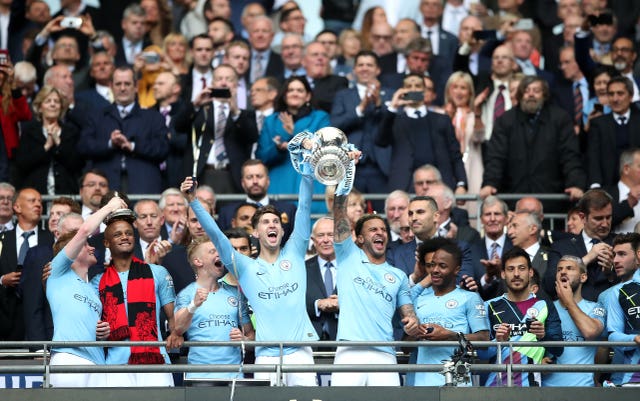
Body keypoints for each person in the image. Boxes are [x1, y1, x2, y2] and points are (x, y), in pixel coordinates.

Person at [181, 166, 319, 386]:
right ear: (255, 232)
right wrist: (194, 202)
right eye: (265, 222)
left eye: (276, 222)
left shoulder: (294, 253)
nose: (272, 225)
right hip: (265, 356)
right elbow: (217, 236)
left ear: (283, 231)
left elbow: (304, 208)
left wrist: (308, 174)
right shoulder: (244, 266)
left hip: (301, 352)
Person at [330, 176, 421, 386]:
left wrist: (412, 323)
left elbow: (408, 314)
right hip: (349, 351)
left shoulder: (398, 275)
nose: (380, 232)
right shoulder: (348, 256)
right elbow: (339, 214)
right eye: (373, 230)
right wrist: (345, 175)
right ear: (359, 239)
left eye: (383, 230)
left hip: (385, 353)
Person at [92, 202, 177, 387]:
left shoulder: (158, 272)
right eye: (117, 234)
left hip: (155, 360)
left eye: (129, 233)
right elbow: (90, 320)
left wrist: (176, 333)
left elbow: (173, 319)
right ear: (106, 243)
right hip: (116, 363)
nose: (124, 237)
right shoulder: (97, 282)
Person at [46, 196, 127, 387]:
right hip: (68, 357)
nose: (92, 247)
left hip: (97, 362)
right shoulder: (57, 272)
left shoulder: (93, 288)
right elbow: (84, 231)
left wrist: (103, 331)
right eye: (85, 245)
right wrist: (109, 207)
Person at [480, 75, 586, 209]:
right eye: (526, 90)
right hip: (514, 197)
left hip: (551, 198)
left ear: (545, 95)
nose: (531, 95)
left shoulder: (560, 119)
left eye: (536, 91)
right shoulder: (505, 120)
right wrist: (490, 183)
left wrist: (575, 183)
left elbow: (570, 155)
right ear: (520, 94)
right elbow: (496, 157)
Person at [77, 66, 169, 194]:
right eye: (118, 84)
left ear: (136, 86)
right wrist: (110, 143)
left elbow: (163, 149)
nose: (122, 88)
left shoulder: (154, 117)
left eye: (127, 84)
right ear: (111, 86)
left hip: (144, 186)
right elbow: (84, 146)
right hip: (106, 186)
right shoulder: (96, 116)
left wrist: (133, 146)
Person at [173, 237, 254, 380]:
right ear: (198, 261)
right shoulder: (187, 294)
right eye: (212, 251)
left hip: (234, 379)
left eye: (219, 251)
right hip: (200, 379)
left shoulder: (235, 294)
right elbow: (177, 329)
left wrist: (244, 340)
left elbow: (250, 336)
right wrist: (193, 305)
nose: (219, 254)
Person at [410, 240, 489, 386]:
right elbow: (405, 346)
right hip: (423, 384)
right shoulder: (419, 298)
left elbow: (484, 340)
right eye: (433, 264)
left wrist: (450, 335)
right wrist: (414, 332)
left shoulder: (470, 298)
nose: (435, 270)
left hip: (458, 383)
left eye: (442, 266)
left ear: (457, 270)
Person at [483, 247, 564, 387]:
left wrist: (543, 336)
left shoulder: (544, 305)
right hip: (495, 387)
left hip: (531, 388)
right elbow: (481, 355)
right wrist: (497, 341)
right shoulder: (489, 306)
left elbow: (558, 349)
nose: (516, 274)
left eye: (521, 268)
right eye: (510, 269)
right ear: (502, 274)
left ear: (530, 272)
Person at [376, 73, 467, 194]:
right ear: (402, 90)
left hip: (440, 184)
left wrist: (461, 183)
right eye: (409, 86)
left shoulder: (442, 119)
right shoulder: (393, 119)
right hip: (404, 186)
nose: (413, 89)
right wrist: (393, 106)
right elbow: (380, 141)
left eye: (417, 86)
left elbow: (455, 154)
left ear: (425, 91)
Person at [256, 76, 329, 211]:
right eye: (290, 90)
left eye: (300, 90)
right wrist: (278, 148)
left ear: (308, 96)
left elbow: (323, 151)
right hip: (279, 181)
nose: (295, 93)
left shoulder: (321, 117)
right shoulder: (271, 120)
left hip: (311, 180)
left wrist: (294, 132)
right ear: (284, 96)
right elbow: (262, 156)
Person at [330, 50, 391, 198]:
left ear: (378, 70)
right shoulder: (343, 95)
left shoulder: (389, 94)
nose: (365, 68)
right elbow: (335, 125)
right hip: (351, 165)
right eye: (361, 65)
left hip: (382, 166)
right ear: (354, 69)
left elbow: (394, 126)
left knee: (382, 213)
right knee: (350, 213)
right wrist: (360, 109)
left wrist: (378, 105)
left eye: (369, 65)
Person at [542, 255, 605, 387]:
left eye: (569, 268)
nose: (563, 272)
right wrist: (538, 362)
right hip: (547, 389)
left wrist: (568, 301)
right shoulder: (544, 308)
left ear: (583, 277)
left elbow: (591, 332)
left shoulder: (595, 308)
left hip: (583, 388)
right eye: (559, 270)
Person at [0, 187, 53, 341]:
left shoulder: (50, 239)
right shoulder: (2, 239)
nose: (38, 205)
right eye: (32, 201)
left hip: (41, 315)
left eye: (40, 202)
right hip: (5, 315)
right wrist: (2, 280)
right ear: (16, 207)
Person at [547, 189, 616, 301]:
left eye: (608, 217)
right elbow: (550, 285)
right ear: (583, 217)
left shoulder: (620, 244)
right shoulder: (561, 247)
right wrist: (586, 259)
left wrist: (610, 273)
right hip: (573, 313)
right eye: (598, 218)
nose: (605, 223)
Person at [13, 85, 82, 194]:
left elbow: (77, 163)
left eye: (56, 101)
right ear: (40, 107)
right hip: (36, 193)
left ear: (61, 107)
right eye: (48, 101)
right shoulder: (29, 132)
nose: (53, 104)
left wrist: (58, 142)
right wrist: (46, 146)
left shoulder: (71, 131)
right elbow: (22, 163)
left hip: (66, 193)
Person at [216, 159, 297, 241]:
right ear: (243, 183)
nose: (255, 181)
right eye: (249, 177)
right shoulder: (227, 213)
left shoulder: (288, 210)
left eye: (259, 176)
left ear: (268, 181)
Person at [606, 233, 640, 386]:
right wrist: (634, 339)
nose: (615, 260)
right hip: (633, 377)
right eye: (614, 255)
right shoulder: (618, 292)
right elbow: (613, 336)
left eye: (622, 254)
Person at [305, 217, 338, 341]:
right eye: (320, 235)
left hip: (346, 341)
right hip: (310, 342)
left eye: (331, 235)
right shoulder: (301, 269)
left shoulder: (352, 268)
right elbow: (293, 302)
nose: (325, 240)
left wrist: (343, 304)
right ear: (313, 240)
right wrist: (317, 304)